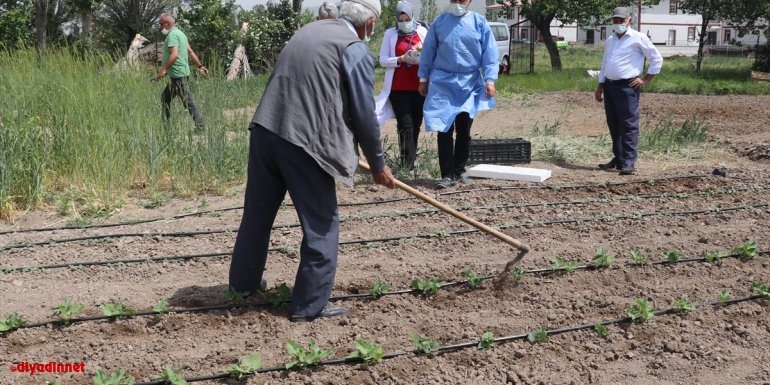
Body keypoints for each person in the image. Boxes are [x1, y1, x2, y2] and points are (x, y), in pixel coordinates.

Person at [228, 0, 396, 323]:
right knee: (322, 224)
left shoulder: (308, 30)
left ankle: (242, 284)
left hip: (266, 130)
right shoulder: (354, 48)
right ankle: (310, 305)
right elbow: (364, 113)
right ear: (370, 25)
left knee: (257, 215)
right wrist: (378, 163)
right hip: (303, 143)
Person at [418, 0, 498, 189]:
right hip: (442, 83)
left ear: (469, 1)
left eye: (461, 0)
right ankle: (446, 174)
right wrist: (423, 79)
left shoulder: (479, 23)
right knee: (444, 129)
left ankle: (460, 170)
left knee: (464, 129)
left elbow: (489, 53)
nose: (457, 3)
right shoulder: (439, 22)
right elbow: (428, 51)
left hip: (469, 83)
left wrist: (490, 80)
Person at [594, 7, 662, 176]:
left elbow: (656, 58)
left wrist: (645, 79)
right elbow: (605, 64)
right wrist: (600, 85)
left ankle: (629, 162)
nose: (618, 24)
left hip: (627, 87)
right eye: (615, 21)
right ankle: (619, 158)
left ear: (628, 20)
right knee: (614, 124)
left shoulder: (638, 38)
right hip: (609, 86)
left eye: (621, 21)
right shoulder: (611, 40)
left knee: (629, 125)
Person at [375, 1, 428, 170]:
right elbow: (382, 60)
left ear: (412, 17)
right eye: (401, 19)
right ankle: (407, 164)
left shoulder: (422, 31)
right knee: (405, 125)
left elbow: (431, 54)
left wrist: (421, 51)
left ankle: (412, 159)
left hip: (419, 86)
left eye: (407, 19)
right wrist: (401, 59)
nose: (404, 22)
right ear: (397, 19)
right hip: (398, 88)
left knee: (416, 124)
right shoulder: (390, 34)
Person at [157, 13, 208, 132]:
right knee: (165, 98)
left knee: (187, 101)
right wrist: (200, 66)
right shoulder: (181, 34)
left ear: (167, 24)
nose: (160, 26)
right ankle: (165, 127)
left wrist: (163, 69)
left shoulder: (172, 35)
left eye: (161, 24)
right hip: (178, 74)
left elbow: (174, 55)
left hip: (178, 74)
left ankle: (201, 127)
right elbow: (190, 52)